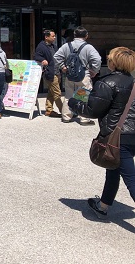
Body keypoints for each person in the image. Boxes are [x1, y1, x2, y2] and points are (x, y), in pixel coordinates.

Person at [67, 46, 135, 219]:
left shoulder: (107, 82)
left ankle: (103, 206)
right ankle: (103, 206)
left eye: (110, 58)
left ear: (114, 62)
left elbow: (92, 110)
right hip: (131, 134)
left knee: (131, 180)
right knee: (112, 167)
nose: (108, 60)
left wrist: (74, 102)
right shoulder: (132, 82)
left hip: (119, 137)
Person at [53, 26, 101, 125]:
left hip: (70, 74)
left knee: (68, 95)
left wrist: (62, 67)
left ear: (74, 35)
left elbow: (56, 56)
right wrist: (94, 71)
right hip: (84, 75)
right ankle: (83, 119)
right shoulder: (88, 47)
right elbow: (97, 59)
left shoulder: (67, 45)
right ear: (86, 36)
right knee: (83, 96)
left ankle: (66, 117)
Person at [34, 29, 63, 118]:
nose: (54, 38)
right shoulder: (41, 46)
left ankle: (49, 110)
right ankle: (65, 112)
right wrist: (42, 60)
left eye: (54, 36)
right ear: (46, 37)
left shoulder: (53, 46)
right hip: (50, 73)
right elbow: (36, 55)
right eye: (52, 36)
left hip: (57, 72)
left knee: (51, 92)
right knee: (57, 93)